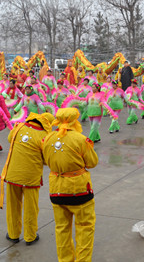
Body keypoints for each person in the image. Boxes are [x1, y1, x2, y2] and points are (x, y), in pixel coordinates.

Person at [42, 108, 99, 262]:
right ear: (75, 120)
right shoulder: (80, 139)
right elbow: (92, 162)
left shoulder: (47, 139)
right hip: (79, 190)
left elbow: (45, 160)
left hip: (56, 190)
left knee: (61, 229)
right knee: (85, 228)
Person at [0, 112, 53, 246]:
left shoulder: (18, 127)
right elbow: (47, 160)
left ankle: (13, 234)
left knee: (12, 206)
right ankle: (30, 236)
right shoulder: (45, 136)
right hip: (31, 178)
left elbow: (9, 139)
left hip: (13, 174)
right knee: (31, 208)